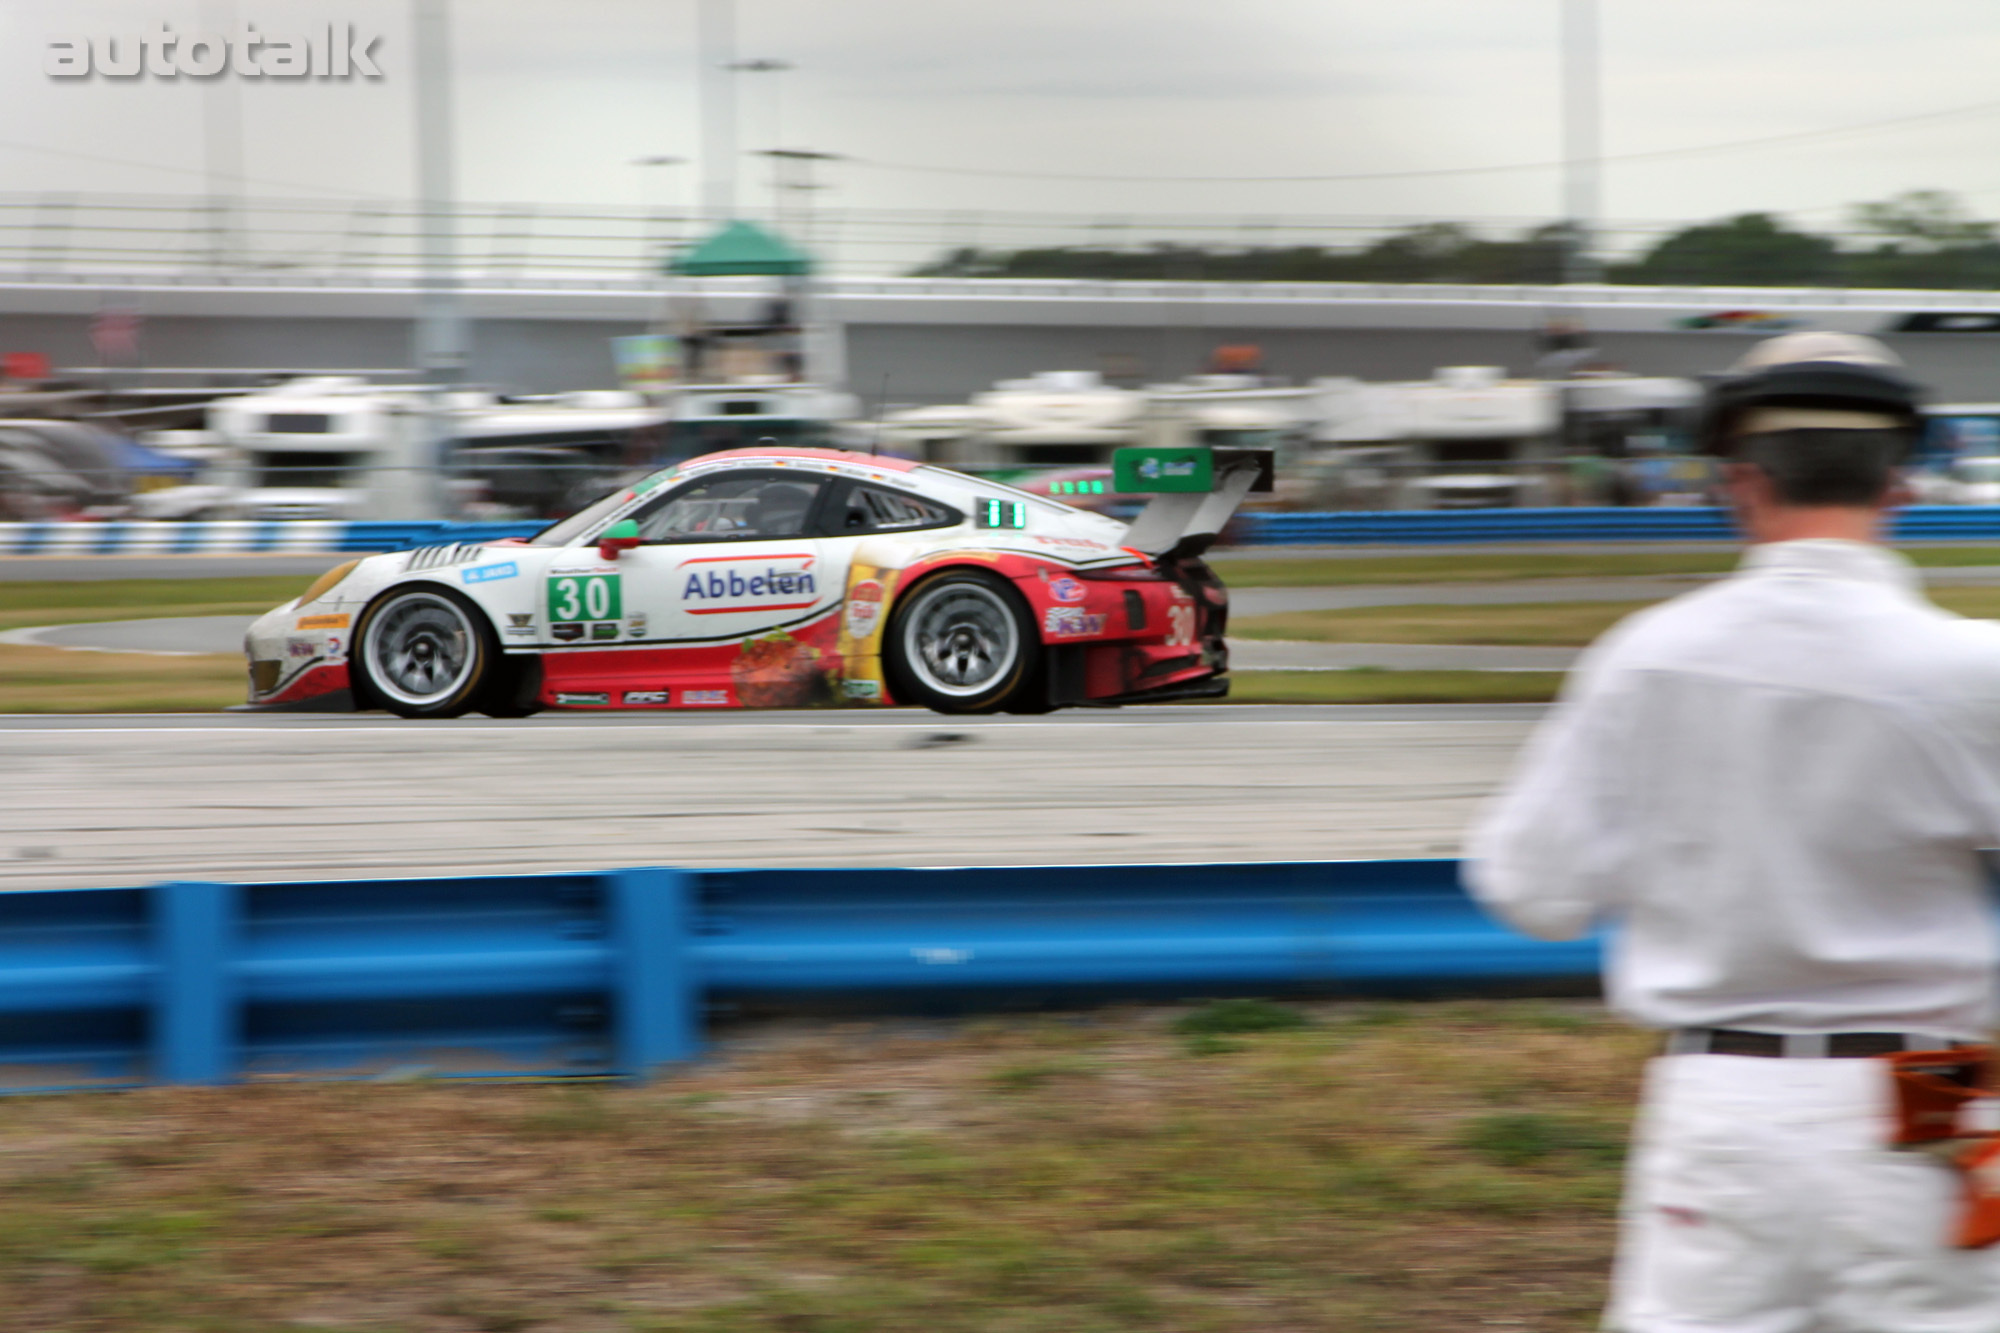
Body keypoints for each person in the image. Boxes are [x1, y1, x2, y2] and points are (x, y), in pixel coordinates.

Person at [1465, 330, 2000, 1333]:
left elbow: (1529, 890)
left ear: (1738, 481)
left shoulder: (1645, 659)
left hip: (1724, 1097)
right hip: (1934, 1087)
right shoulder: (1975, 670)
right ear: (1898, 481)